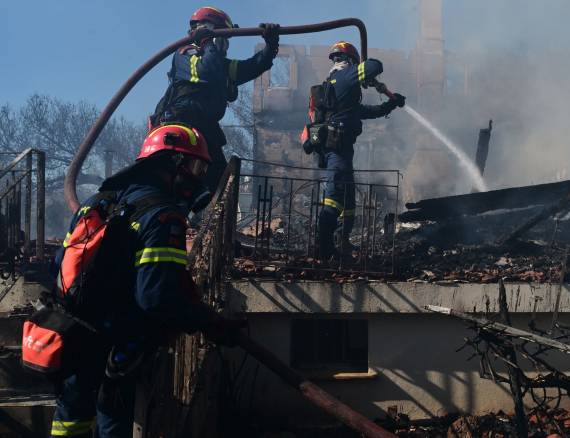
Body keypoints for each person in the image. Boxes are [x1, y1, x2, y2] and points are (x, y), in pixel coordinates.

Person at [49, 125, 244, 438]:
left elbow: (59, 264)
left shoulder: (96, 202)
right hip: (119, 339)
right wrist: (209, 322)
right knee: (113, 415)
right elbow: (156, 296)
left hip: (75, 329)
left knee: (70, 418)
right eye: (194, 167)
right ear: (169, 165)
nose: (197, 178)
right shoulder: (164, 217)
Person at [151, 6, 280, 192]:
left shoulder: (218, 63)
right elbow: (207, 71)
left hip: (204, 129)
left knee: (218, 182)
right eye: (224, 38)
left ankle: (202, 219)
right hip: (182, 127)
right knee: (179, 183)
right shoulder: (185, 53)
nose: (226, 45)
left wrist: (270, 47)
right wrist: (208, 42)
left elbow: (250, 67)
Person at [304, 41, 405, 259]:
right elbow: (375, 66)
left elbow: (365, 111)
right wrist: (368, 77)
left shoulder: (337, 88)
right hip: (338, 149)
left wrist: (390, 104)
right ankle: (324, 250)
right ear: (350, 60)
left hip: (339, 149)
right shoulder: (345, 75)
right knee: (334, 197)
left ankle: (343, 241)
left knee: (348, 199)